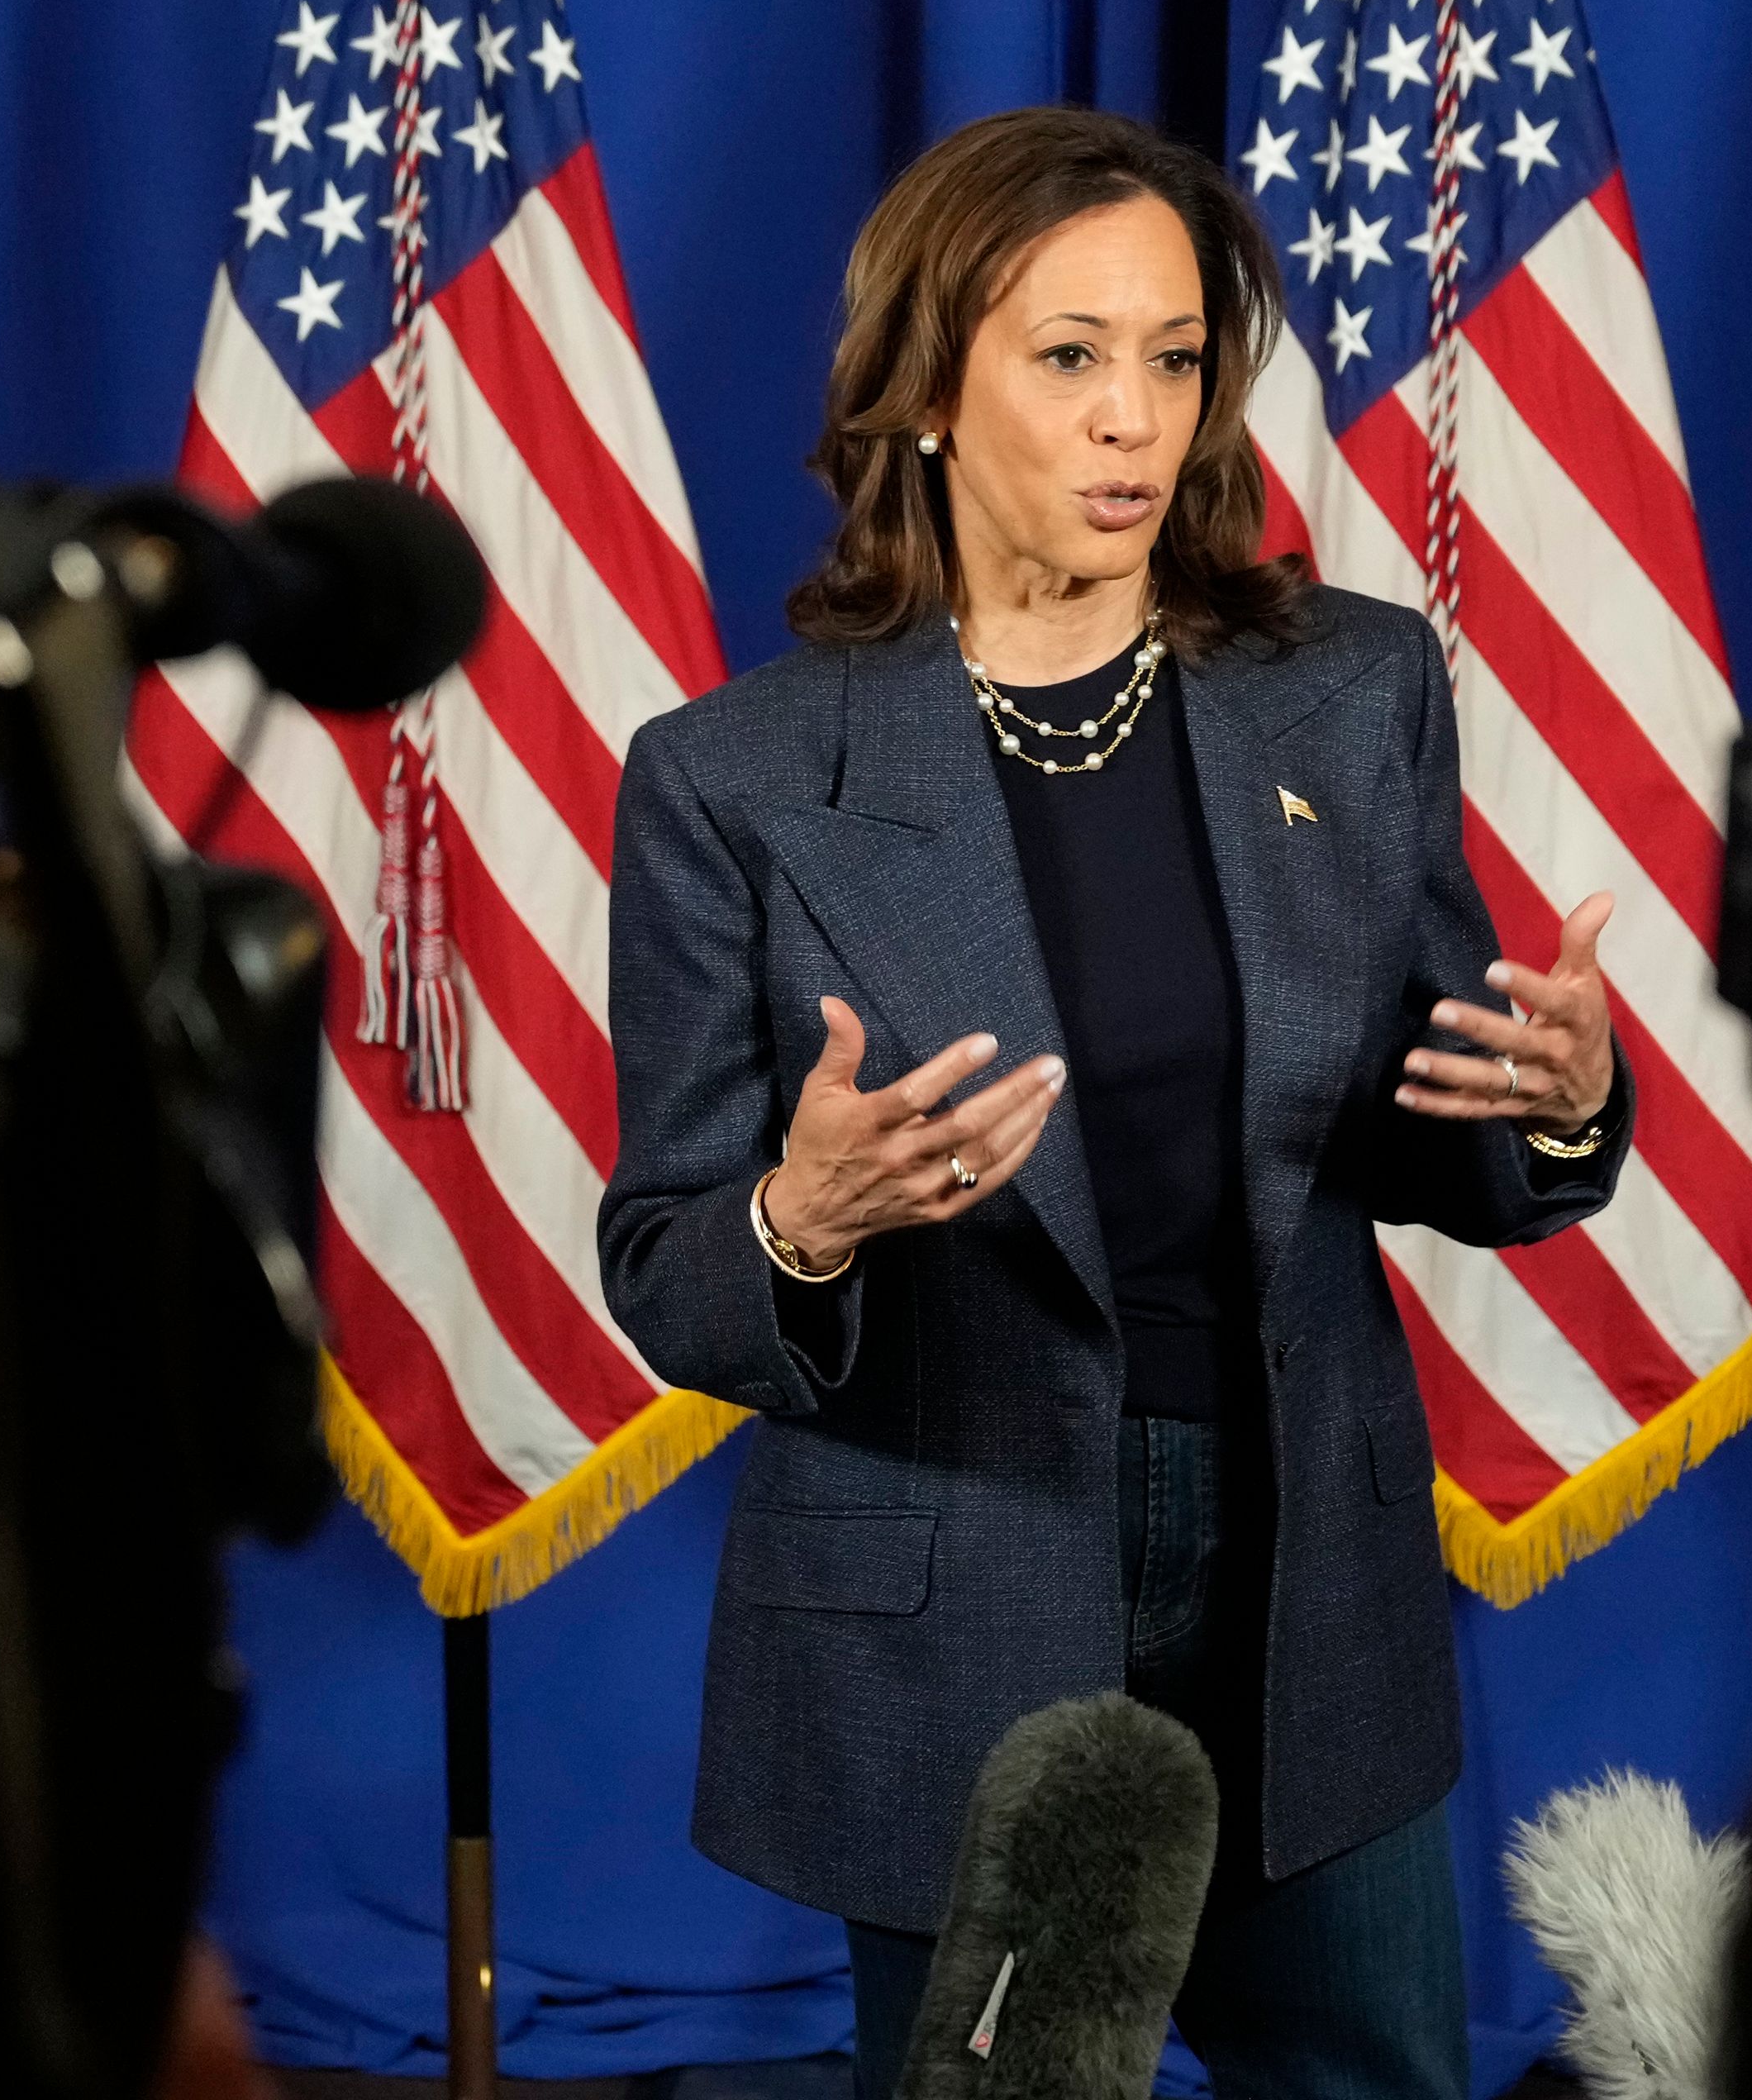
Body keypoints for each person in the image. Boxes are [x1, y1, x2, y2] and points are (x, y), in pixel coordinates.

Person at [598, 106, 1632, 2099]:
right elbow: (672, 1267)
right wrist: (801, 1220)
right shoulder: (731, 779)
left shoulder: (1346, 685)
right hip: (957, 1581)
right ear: (922, 391)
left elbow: (1439, 1121)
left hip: (1296, 1570)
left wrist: (1563, 1100)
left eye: (1172, 358)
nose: (1132, 418)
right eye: (1068, 356)